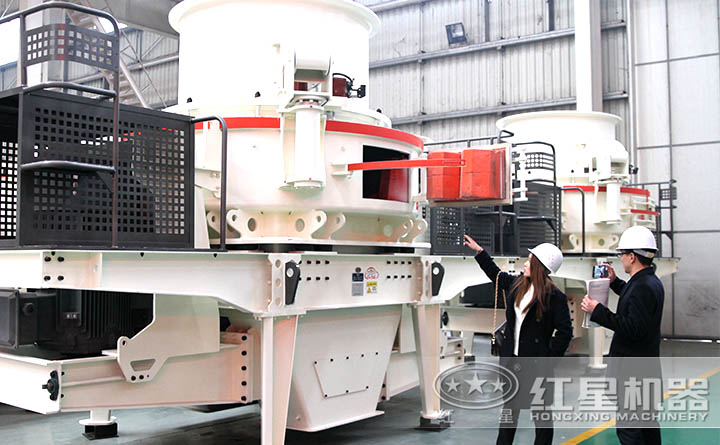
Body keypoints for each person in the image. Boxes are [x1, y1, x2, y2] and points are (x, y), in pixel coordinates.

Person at [464, 235, 573, 445]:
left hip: (537, 365)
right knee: (509, 413)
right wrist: (480, 252)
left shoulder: (555, 297)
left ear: (540, 267)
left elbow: (565, 332)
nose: (525, 263)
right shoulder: (517, 284)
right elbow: (496, 275)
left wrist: (549, 359)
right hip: (512, 363)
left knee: (541, 414)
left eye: (530, 261)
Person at [581, 225, 665, 445]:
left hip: (633, 375)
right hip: (645, 372)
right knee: (647, 429)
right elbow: (634, 301)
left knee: (630, 432)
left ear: (632, 256)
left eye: (622, 254)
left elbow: (632, 328)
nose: (621, 258)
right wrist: (615, 282)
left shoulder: (642, 287)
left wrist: (597, 311)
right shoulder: (648, 282)